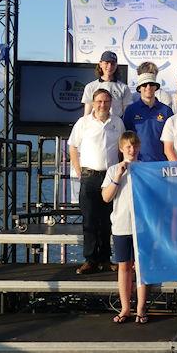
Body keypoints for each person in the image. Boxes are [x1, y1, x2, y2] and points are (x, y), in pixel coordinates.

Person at [68, 89, 125, 274]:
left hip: (110, 178)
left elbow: (120, 149)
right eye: (99, 101)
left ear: (111, 103)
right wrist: (78, 171)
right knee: (90, 220)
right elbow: (73, 147)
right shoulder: (83, 123)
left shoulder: (117, 122)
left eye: (106, 101)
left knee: (108, 220)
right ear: (93, 103)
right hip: (89, 176)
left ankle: (106, 259)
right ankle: (90, 260)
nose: (103, 105)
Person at [102, 131, 148, 324]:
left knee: (142, 268)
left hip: (142, 226)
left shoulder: (146, 169)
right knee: (124, 267)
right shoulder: (113, 169)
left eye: (135, 145)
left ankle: (141, 308)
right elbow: (106, 197)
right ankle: (125, 307)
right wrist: (118, 176)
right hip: (121, 225)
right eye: (128, 146)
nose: (132, 149)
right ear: (121, 149)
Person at [122, 72, 173, 162]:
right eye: (145, 85)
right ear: (139, 89)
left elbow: (172, 139)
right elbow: (126, 138)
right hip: (138, 163)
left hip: (162, 163)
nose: (148, 87)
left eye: (151, 84)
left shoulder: (166, 111)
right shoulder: (131, 110)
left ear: (155, 87)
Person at [82, 51, 132, 118]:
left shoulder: (124, 88)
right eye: (107, 63)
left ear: (116, 65)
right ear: (100, 64)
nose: (109, 66)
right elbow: (87, 114)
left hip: (116, 126)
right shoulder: (90, 87)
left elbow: (127, 114)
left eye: (112, 63)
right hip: (96, 126)